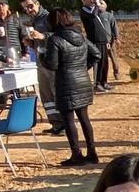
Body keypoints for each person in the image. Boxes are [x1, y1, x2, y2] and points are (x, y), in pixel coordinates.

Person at [41, 8, 101, 167]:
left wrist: (41, 55)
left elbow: (52, 65)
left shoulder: (54, 39)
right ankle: (92, 153)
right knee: (84, 118)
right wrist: (82, 68)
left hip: (65, 82)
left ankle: (77, 155)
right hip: (82, 81)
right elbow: (96, 54)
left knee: (68, 121)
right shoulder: (80, 36)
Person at [20, 0, 65, 134]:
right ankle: (56, 123)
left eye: (30, 6)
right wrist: (31, 42)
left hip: (52, 61)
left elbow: (62, 35)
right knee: (46, 94)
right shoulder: (33, 20)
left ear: (37, 3)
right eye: (25, 8)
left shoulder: (49, 17)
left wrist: (43, 36)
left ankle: (65, 123)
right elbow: (39, 42)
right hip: (41, 61)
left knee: (56, 92)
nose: (28, 10)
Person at [79, 0, 112, 92]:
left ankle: (104, 82)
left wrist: (107, 40)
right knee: (98, 62)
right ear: (84, 1)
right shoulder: (84, 10)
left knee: (105, 62)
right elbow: (93, 15)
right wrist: (97, 5)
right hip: (94, 40)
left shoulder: (94, 8)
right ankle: (97, 83)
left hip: (102, 39)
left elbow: (101, 11)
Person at [97, 0, 121, 81]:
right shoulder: (95, 15)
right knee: (102, 60)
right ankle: (102, 76)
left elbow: (114, 27)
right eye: (98, 3)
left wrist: (117, 38)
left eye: (101, 3)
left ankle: (116, 72)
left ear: (105, 6)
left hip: (110, 41)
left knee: (114, 58)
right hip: (99, 42)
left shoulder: (109, 15)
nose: (99, 5)